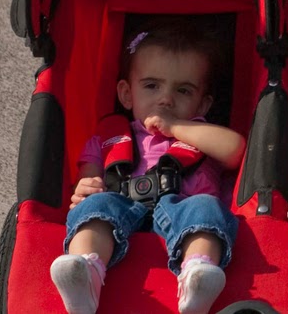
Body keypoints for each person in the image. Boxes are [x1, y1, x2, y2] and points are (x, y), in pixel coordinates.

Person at [49, 21, 246, 314]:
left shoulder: (201, 134)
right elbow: (87, 180)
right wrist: (86, 187)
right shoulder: (109, 137)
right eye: (152, 86)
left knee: (207, 207)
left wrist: (176, 127)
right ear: (127, 94)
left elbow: (236, 149)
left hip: (182, 212)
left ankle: (198, 274)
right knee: (95, 208)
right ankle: (84, 271)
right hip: (120, 211)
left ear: (203, 105)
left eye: (183, 90)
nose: (166, 99)